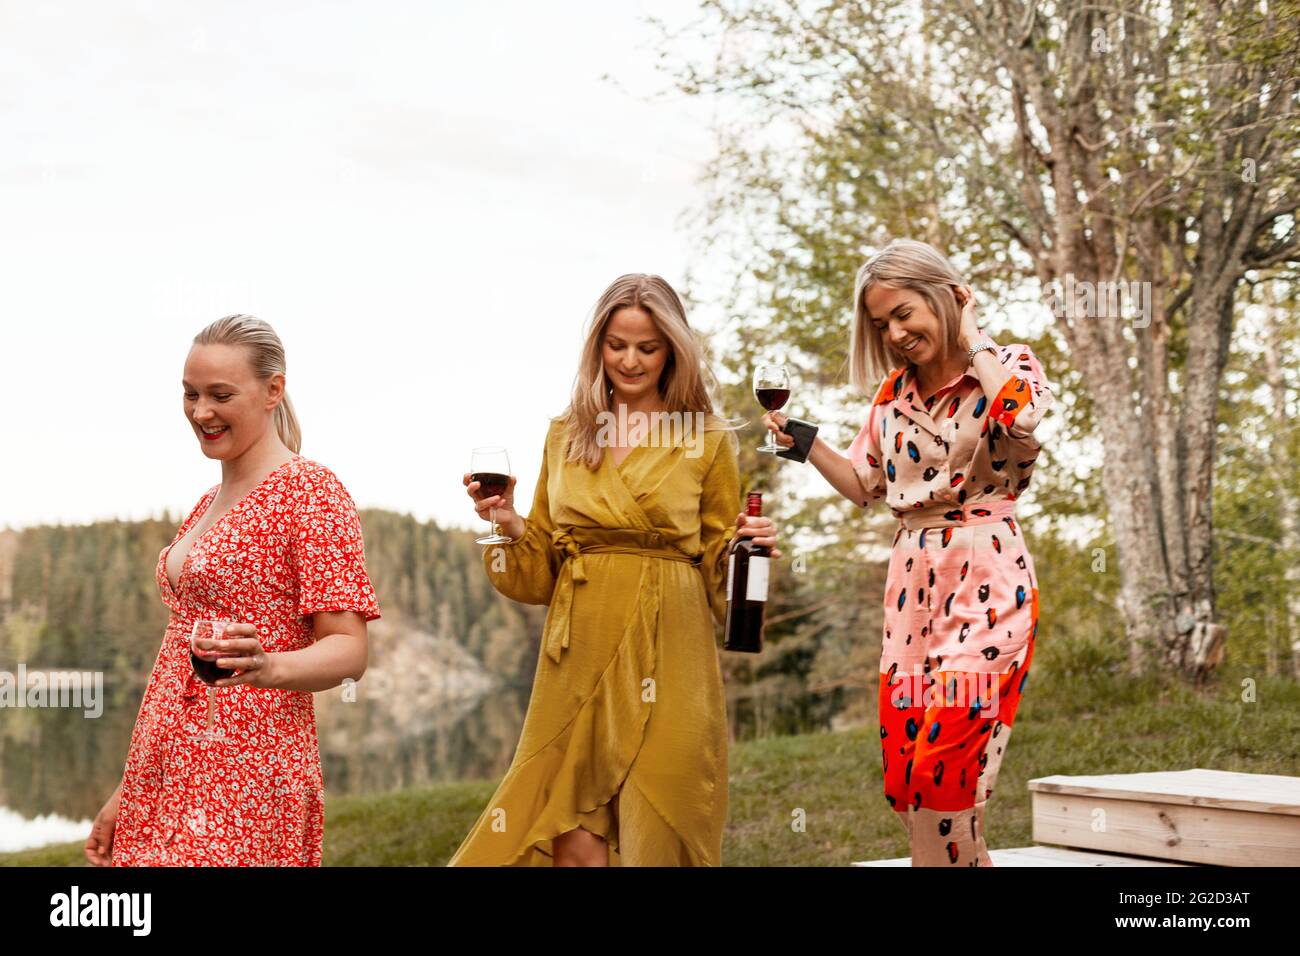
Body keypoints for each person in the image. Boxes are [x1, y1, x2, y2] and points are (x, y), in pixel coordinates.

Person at [449, 274, 780, 866]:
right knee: (572, 835)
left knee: (664, 808)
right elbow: (538, 572)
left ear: (672, 350)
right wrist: (508, 523)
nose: (630, 360)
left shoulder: (704, 438)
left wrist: (747, 553)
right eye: (617, 344)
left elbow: (717, 564)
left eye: (647, 347)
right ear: (597, 346)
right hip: (580, 651)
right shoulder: (567, 434)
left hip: (671, 645)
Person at [764, 239, 1052, 866]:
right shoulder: (891, 397)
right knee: (913, 783)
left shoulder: (1008, 366)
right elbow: (863, 485)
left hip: (986, 583)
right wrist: (804, 442)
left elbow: (1022, 418)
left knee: (946, 768)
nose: (894, 333)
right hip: (910, 594)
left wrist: (971, 333)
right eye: (880, 324)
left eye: (904, 314)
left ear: (945, 297)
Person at [84, 314, 380, 867]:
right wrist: (130, 790)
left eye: (220, 394)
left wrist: (268, 667)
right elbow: (178, 659)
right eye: (190, 394)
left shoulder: (310, 490)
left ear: (274, 391)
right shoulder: (207, 503)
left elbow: (349, 652)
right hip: (168, 765)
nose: (200, 412)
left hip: (246, 773)